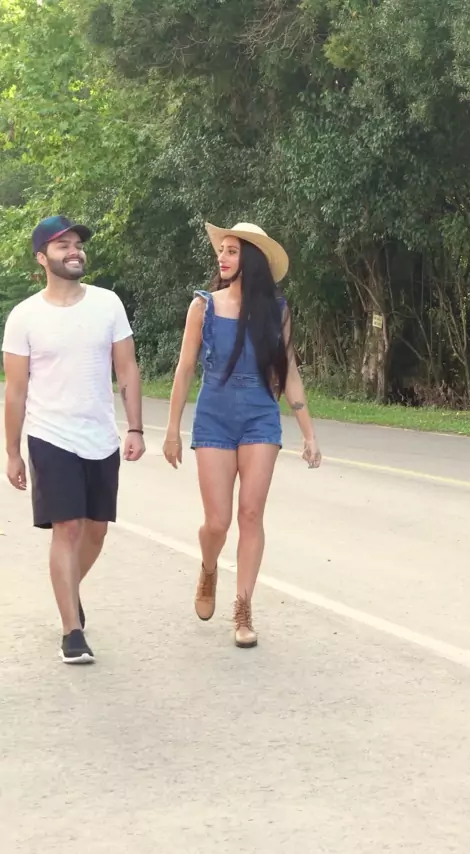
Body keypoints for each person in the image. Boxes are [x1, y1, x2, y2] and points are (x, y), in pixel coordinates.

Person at [163, 221, 321, 648]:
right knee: (217, 522)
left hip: (260, 415)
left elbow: (289, 372)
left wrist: (308, 433)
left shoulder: (277, 310)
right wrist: (173, 429)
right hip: (214, 414)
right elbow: (185, 369)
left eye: (232, 251)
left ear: (250, 260)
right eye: (222, 250)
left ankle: (243, 608)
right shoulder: (203, 307)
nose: (223, 257)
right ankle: (209, 567)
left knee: (250, 514)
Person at [2, 215, 145, 665]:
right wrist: (12, 452)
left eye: (77, 243)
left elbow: (126, 368)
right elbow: (16, 391)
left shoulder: (108, 304)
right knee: (67, 527)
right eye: (62, 245)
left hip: (100, 435)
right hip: (50, 435)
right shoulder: (24, 316)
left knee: (96, 531)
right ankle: (72, 631)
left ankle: (68, 592)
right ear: (42, 258)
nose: (74, 250)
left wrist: (135, 427)